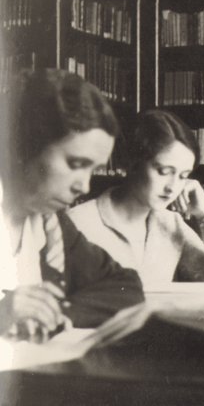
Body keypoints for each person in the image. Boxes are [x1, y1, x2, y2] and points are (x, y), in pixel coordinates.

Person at [0, 69, 144, 340]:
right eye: (76, 164)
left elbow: (125, 286)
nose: (84, 187)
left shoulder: (50, 224)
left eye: (94, 170)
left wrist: (58, 314)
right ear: (24, 147)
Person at [68, 110, 204, 303]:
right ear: (133, 163)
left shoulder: (170, 224)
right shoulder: (77, 223)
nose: (172, 187)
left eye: (183, 176)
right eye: (164, 171)